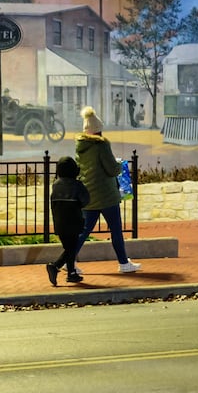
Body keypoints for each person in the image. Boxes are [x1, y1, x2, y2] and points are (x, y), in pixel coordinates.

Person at [75, 105, 141, 273]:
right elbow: (111, 169)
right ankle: (124, 263)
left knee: (83, 232)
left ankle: (68, 262)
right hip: (106, 195)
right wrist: (119, 165)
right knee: (116, 230)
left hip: (89, 194)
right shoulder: (102, 145)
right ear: (98, 130)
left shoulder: (80, 147)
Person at [45, 155, 91, 286]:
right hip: (74, 221)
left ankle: (72, 273)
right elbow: (86, 200)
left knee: (68, 247)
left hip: (59, 222)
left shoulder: (56, 185)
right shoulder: (77, 185)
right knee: (71, 248)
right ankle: (55, 266)